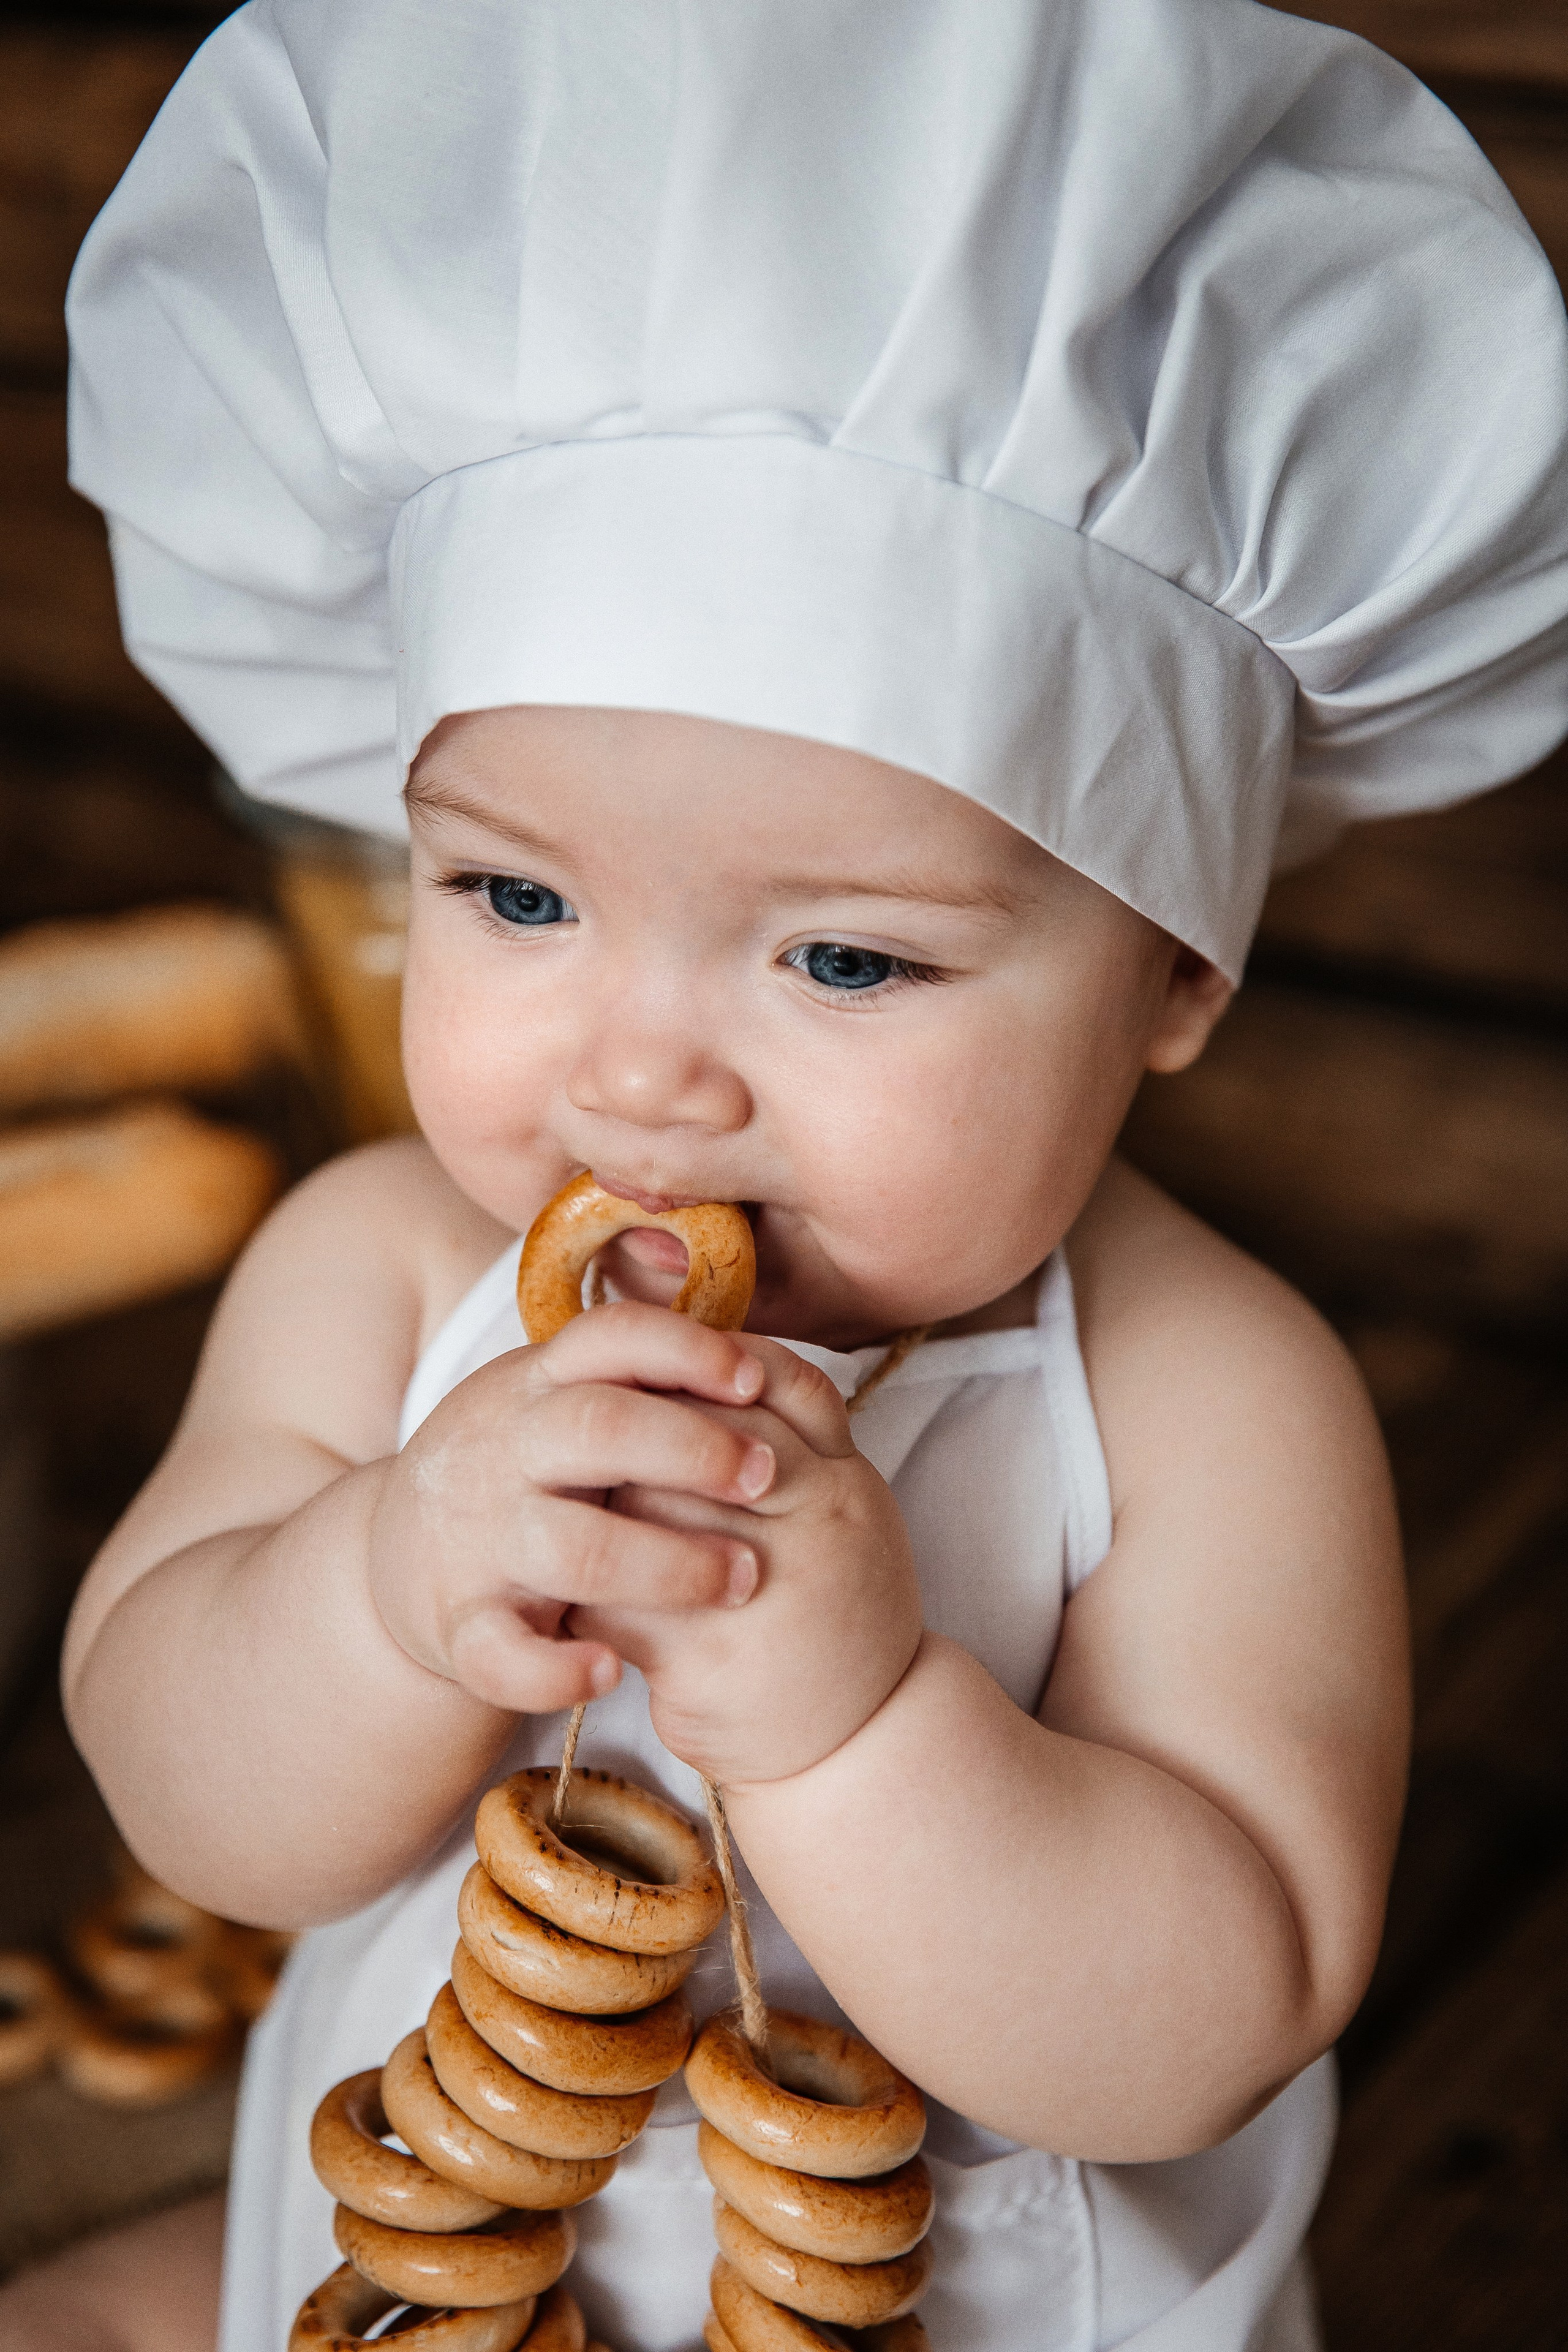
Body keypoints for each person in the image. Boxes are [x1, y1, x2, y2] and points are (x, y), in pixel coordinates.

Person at [9, 3, 1567, 2347]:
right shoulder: (376, 1269)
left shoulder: (1212, 1393)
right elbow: (190, 1802)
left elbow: (1207, 2028)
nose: (641, 1069)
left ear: (1174, 978)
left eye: (845, 957)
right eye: (517, 897)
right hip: (411, 2263)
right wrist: (380, 1588)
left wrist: (857, 1724)